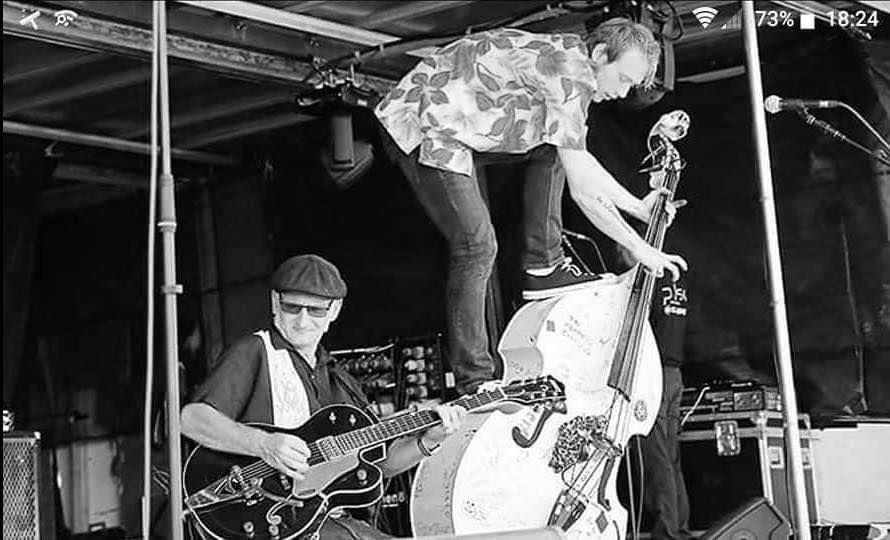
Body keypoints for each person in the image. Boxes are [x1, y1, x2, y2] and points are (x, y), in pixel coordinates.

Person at [375, 18, 688, 395]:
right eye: (622, 79)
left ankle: (544, 264)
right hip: (423, 126)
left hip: (458, 128)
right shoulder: (568, 77)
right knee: (477, 246)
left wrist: (637, 207)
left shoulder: (573, 64)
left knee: (555, 149)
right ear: (601, 53)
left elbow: (579, 162)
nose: (622, 93)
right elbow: (583, 192)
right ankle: (474, 378)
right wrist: (640, 248)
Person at [181, 254, 465, 539]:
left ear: (334, 310)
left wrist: (429, 440)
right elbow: (191, 419)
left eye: (315, 310)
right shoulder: (255, 351)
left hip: (325, 523)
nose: (302, 321)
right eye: (292, 307)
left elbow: (381, 464)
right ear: (275, 303)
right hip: (265, 519)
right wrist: (263, 444)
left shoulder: (340, 380)